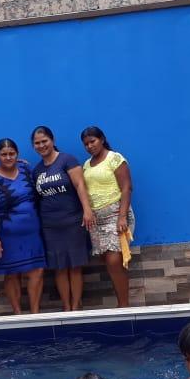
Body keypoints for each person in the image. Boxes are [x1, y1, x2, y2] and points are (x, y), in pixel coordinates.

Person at [31, 126, 95, 311]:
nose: (42, 145)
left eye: (45, 141)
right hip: (50, 225)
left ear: (52, 140)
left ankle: (76, 307)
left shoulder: (67, 160)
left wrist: (87, 210)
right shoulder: (37, 171)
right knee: (59, 267)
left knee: (75, 266)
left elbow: (80, 184)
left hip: (73, 221)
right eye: (37, 143)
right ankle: (66, 307)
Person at [0, 138, 47, 314]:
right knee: (12, 274)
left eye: (12, 154)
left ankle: (35, 313)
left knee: (37, 271)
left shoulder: (26, 169)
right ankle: (17, 314)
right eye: (4, 154)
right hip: (6, 235)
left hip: (33, 232)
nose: (8, 157)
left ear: (17, 154)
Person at [80, 126, 135, 307]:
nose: (89, 146)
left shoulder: (115, 158)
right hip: (96, 219)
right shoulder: (87, 164)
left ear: (102, 139)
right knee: (107, 260)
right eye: (86, 144)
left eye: (92, 141)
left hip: (115, 214)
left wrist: (122, 216)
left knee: (114, 260)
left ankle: (124, 305)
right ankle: (121, 302)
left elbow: (126, 188)